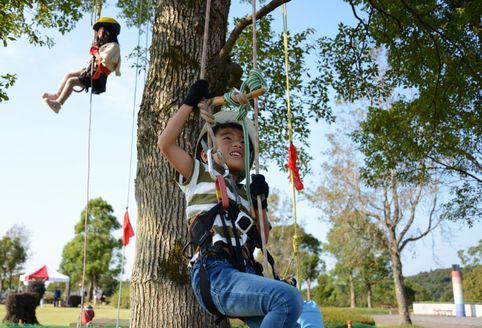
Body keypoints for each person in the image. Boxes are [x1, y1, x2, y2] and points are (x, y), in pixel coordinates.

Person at [158, 80, 303, 327]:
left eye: (243, 142)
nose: (238, 143)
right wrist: (189, 103)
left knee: (288, 320)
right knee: (287, 299)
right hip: (214, 272)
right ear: (206, 151)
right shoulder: (199, 174)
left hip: (243, 271)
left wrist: (261, 203)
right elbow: (166, 144)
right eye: (227, 138)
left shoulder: (245, 196)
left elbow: (262, 238)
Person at [42, 17, 122, 114]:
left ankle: (58, 104)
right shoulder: (104, 45)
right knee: (69, 75)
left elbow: (101, 59)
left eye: (100, 31)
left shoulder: (114, 46)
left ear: (107, 31)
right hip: (92, 70)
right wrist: (96, 47)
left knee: (72, 81)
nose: (98, 33)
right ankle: (57, 95)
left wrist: (95, 51)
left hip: (99, 76)